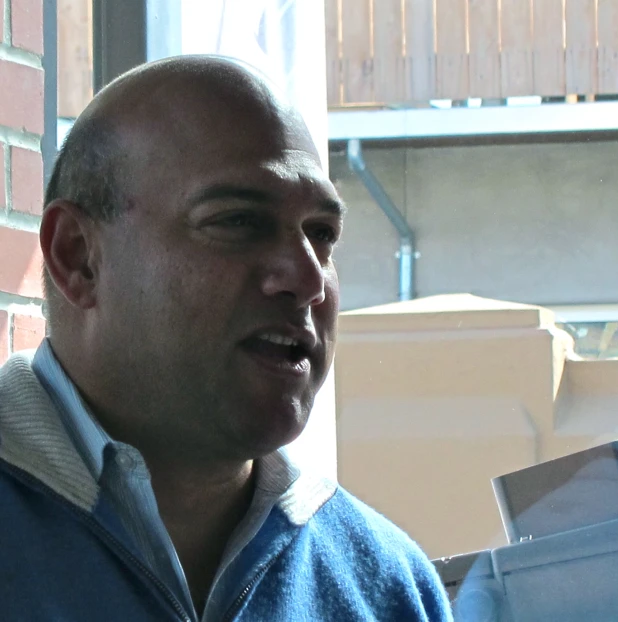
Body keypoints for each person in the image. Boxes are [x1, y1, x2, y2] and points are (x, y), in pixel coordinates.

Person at [0, 55, 453, 621]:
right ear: (78, 258)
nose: (309, 279)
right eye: (239, 221)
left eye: (322, 234)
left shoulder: (387, 585)